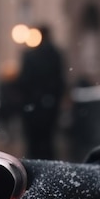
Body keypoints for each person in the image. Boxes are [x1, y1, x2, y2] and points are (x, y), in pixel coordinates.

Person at [16, 24, 66, 159]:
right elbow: (60, 81)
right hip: (49, 106)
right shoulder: (56, 54)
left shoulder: (30, 56)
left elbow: (23, 82)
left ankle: (33, 170)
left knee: (33, 142)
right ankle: (48, 169)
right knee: (48, 141)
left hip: (32, 107)